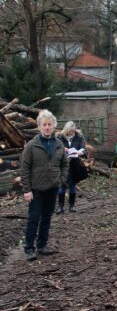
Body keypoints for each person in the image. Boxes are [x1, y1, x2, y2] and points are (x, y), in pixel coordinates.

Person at [21, 110, 68, 261]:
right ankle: (29, 248)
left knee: (47, 217)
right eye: (44, 125)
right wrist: (27, 190)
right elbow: (25, 168)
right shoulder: (32, 145)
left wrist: (61, 180)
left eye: (50, 124)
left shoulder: (59, 145)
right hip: (36, 189)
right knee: (34, 218)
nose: (47, 127)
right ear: (39, 126)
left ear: (54, 126)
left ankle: (42, 245)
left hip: (52, 188)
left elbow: (65, 165)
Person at [56, 121, 86, 214]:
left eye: (72, 132)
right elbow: (55, 149)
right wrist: (63, 150)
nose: (71, 134)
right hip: (62, 166)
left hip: (74, 165)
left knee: (72, 186)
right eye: (69, 132)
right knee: (62, 186)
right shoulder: (59, 138)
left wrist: (81, 152)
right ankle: (60, 207)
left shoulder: (79, 137)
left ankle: (72, 206)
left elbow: (84, 149)